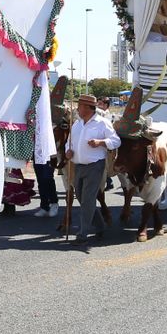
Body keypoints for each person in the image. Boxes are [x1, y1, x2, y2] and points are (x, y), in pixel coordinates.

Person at [62, 93, 119, 245]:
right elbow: (69, 142)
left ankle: (83, 233)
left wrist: (101, 142)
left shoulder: (102, 123)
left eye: (80, 106)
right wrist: (68, 150)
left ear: (88, 108)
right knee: (81, 197)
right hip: (78, 166)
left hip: (95, 166)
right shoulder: (77, 124)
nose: (77, 109)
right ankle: (100, 225)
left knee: (87, 200)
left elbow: (116, 141)